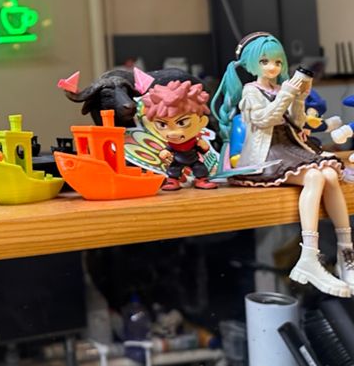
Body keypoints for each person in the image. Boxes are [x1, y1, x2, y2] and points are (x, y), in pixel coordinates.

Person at [211, 32, 353, 297]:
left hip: (291, 148)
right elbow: (265, 120)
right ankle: (309, 256)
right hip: (266, 155)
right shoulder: (251, 91)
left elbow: (297, 123)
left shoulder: (280, 89)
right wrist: (287, 93)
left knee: (330, 175)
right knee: (315, 177)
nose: (272, 67)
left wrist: (299, 97)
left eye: (277, 62)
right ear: (251, 64)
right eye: (264, 61)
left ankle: (347, 253)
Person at [140, 79, 216, 191]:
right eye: (162, 124)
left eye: (182, 123)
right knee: (173, 170)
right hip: (177, 159)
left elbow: (203, 150)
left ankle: (201, 180)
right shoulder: (172, 143)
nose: (172, 132)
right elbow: (169, 148)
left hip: (193, 158)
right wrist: (164, 152)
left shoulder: (194, 140)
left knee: (200, 168)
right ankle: (173, 181)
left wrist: (203, 146)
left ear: (202, 122)